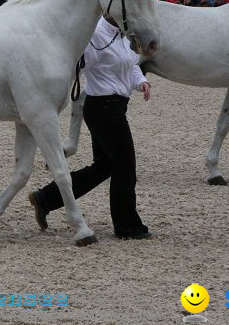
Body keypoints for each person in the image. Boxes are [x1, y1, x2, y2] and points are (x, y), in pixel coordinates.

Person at [28, 15, 153, 239]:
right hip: (104, 107)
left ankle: (45, 198)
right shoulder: (94, 34)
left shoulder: (121, 34)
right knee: (125, 164)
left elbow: (130, 64)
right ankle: (127, 225)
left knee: (104, 167)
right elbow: (77, 66)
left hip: (113, 106)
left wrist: (141, 82)